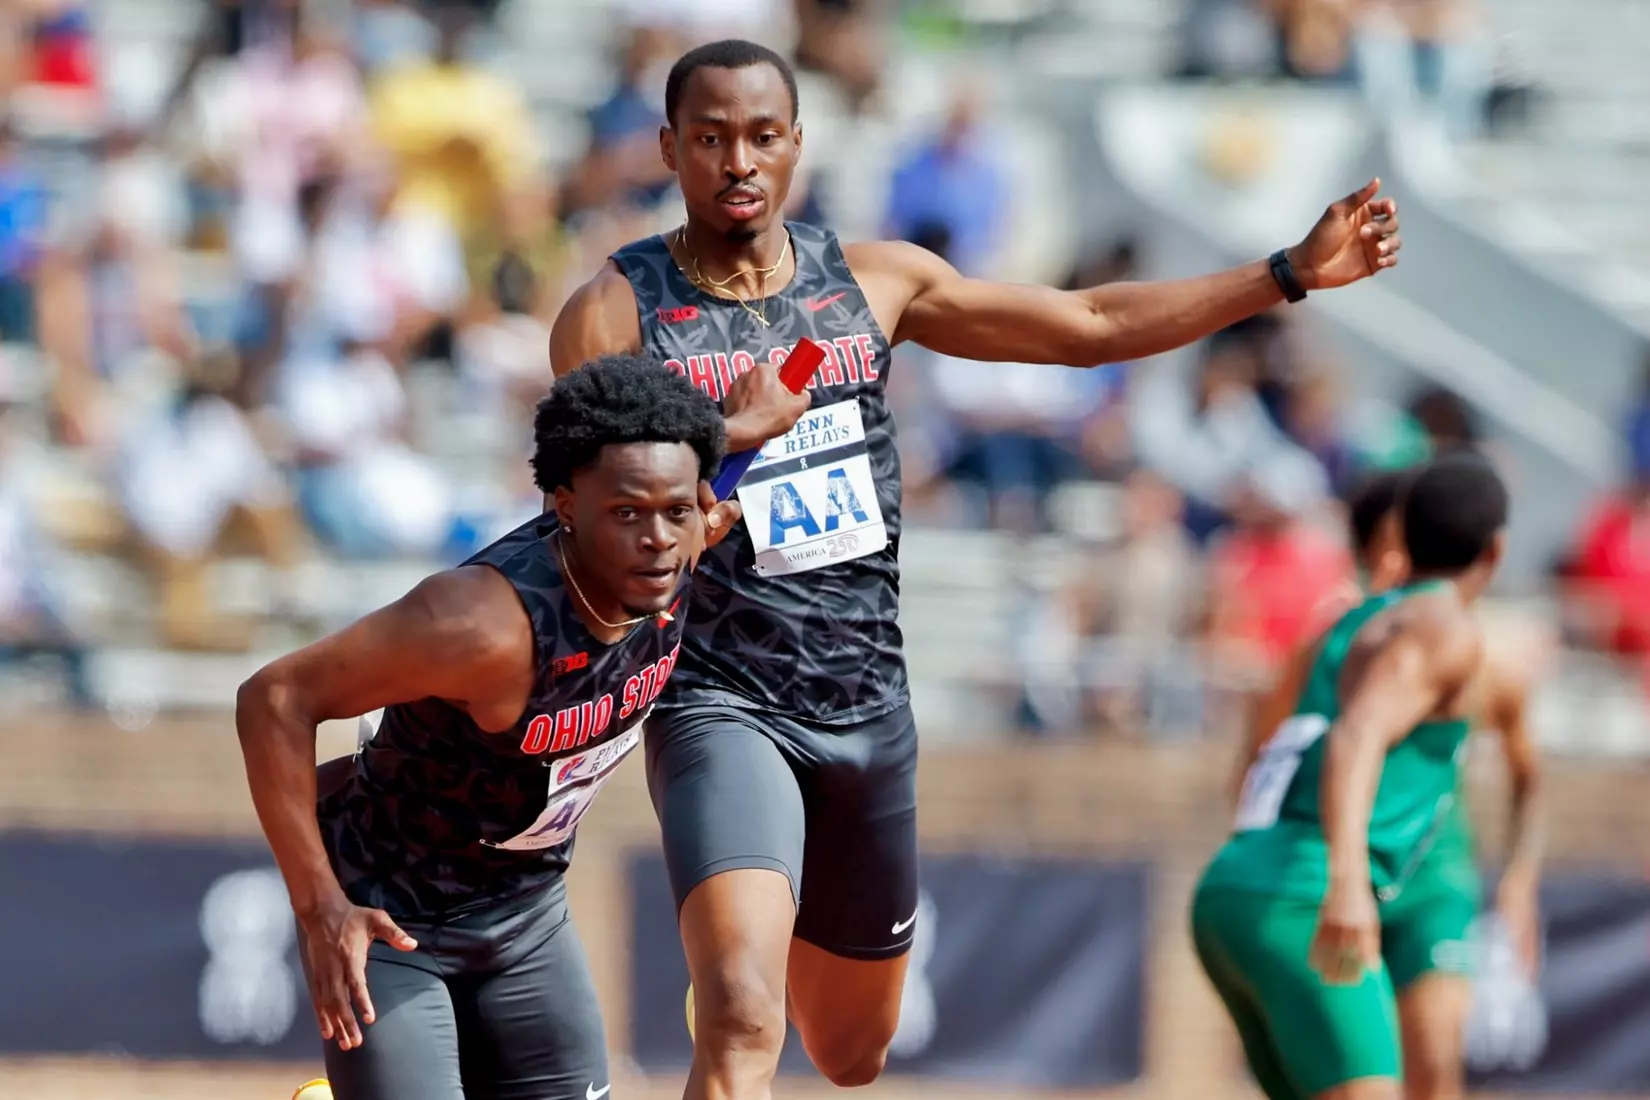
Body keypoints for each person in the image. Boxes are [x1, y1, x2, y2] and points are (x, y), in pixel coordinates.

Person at [548, 36, 1403, 1099]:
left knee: (854, 1048)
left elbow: (1086, 325)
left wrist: (1285, 273)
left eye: (763, 137)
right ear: (669, 148)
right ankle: (731, 983)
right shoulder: (614, 313)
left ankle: (741, 973)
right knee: (743, 1017)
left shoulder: (872, 282)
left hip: (866, 702)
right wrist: (729, 433)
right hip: (721, 699)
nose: (739, 162)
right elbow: (587, 527)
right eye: (711, 139)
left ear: (799, 145)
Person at [236, 353, 794, 1100]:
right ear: (566, 506)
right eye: (627, 513)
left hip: (526, 917)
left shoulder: (680, 539)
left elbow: (681, 476)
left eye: (678, 511)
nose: (659, 539)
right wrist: (318, 909)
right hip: (397, 919)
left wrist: (743, 423)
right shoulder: (479, 626)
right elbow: (273, 699)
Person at [1192, 451, 1510, 1100]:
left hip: (1241, 881)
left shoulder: (1337, 630)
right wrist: (1344, 884)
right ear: (1495, 552)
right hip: (1310, 889)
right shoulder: (1444, 625)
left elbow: (1258, 756)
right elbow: (1355, 736)